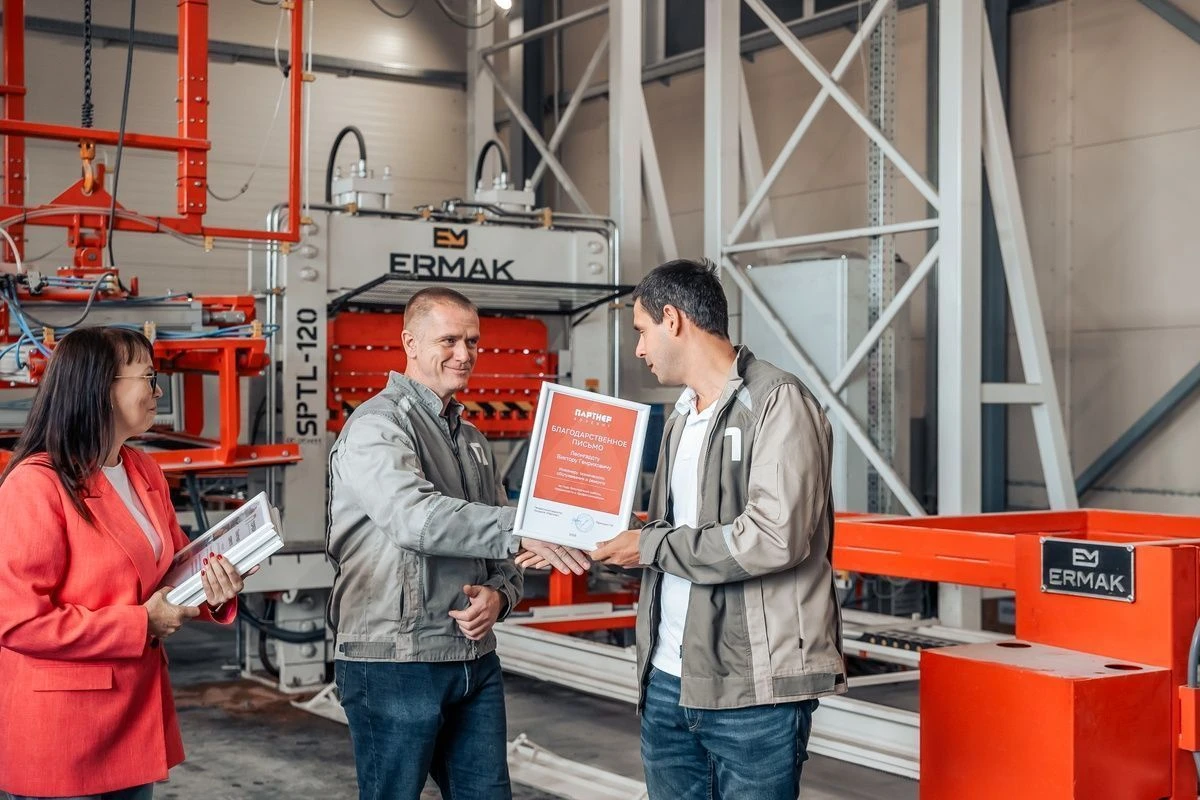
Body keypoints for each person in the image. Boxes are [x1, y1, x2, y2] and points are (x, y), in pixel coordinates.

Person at [590, 259, 845, 800]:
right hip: (666, 680)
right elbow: (673, 533)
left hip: (751, 692)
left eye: (641, 331)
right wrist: (609, 538)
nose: (639, 349)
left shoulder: (777, 401)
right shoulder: (681, 415)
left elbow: (773, 538)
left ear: (673, 319)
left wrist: (649, 545)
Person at [326, 286, 590, 800]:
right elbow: (414, 519)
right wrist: (523, 528)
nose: (464, 354)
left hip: (472, 657)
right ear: (410, 342)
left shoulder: (472, 440)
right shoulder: (377, 427)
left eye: (472, 341)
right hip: (395, 659)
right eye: (448, 340)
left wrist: (500, 596)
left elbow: (500, 548)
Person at [0, 327, 248, 800]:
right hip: (64, 731)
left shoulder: (141, 470)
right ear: (100, 387)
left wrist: (213, 586)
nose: (159, 391)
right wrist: (141, 623)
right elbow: (18, 621)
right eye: (149, 377)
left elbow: (173, 567)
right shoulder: (35, 486)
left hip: (132, 715)